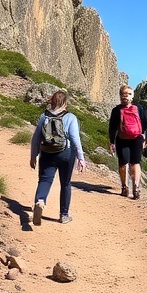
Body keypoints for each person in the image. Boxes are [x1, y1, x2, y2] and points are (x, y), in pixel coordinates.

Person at [29, 89, 86, 225]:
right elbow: (75, 139)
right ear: (65, 104)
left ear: (52, 102)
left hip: (47, 153)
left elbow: (35, 139)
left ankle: (40, 201)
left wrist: (33, 156)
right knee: (65, 184)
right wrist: (81, 158)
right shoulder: (70, 117)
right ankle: (64, 215)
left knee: (44, 180)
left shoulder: (44, 117)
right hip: (65, 154)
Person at [108, 85, 147, 199]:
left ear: (132, 96)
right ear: (121, 96)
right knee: (134, 163)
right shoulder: (139, 108)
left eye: (128, 94)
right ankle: (135, 188)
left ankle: (125, 187)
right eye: (124, 94)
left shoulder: (117, 110)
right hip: (136, 138)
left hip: (124, 139)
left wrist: (112, 141)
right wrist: (146, 138)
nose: (125, 96)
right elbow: (146, 125)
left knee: (124, 163)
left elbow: (112, 128)